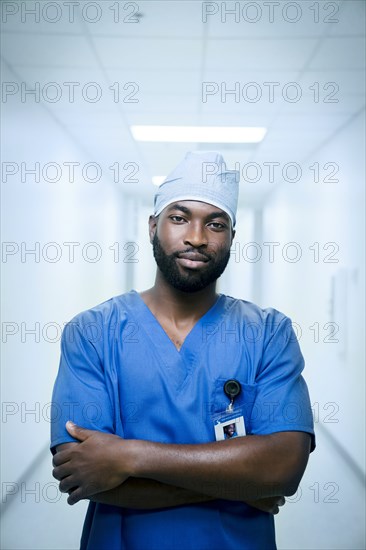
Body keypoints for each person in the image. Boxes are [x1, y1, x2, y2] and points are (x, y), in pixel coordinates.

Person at [51, 151, 315, 550]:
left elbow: (283, 466)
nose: (196, 237)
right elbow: (84, 474)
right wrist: (241, 483)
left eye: (216, 224)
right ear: (153, 226)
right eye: (179, 218)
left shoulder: (268, 333)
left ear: (230, 237)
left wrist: (129, 456)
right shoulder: (91, 332)